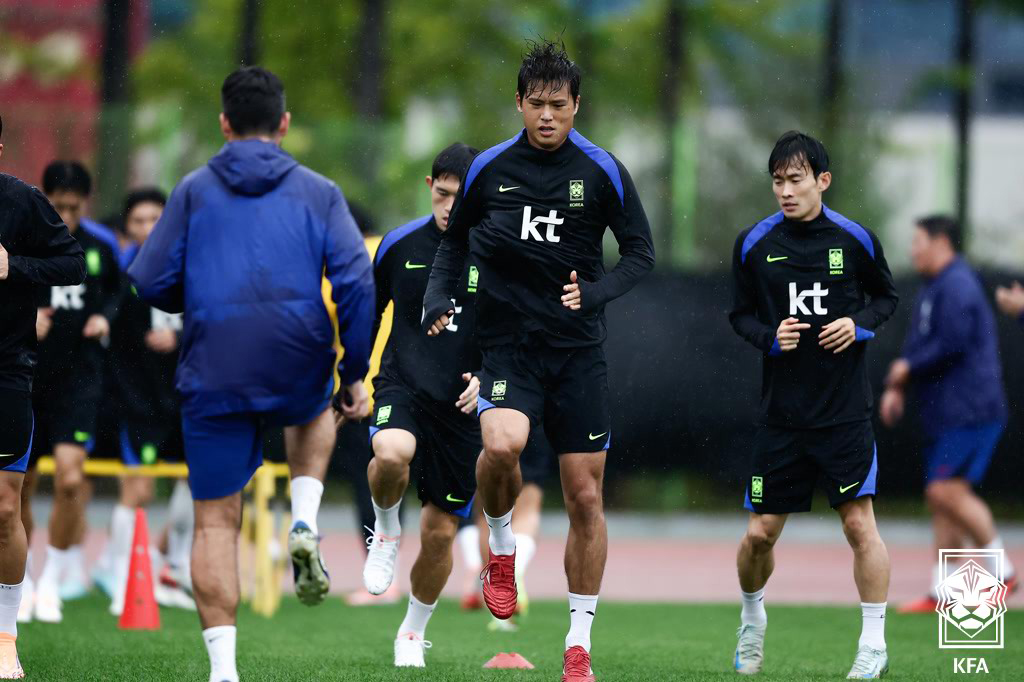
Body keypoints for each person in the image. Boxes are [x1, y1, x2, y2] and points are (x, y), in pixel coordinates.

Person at [128, 66, 373, 682]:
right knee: (319, 401)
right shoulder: (319, 191)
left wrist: (208, 294)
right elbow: (354, 280)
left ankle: (223, 671)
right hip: (296, 349)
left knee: (214, 520)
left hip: (214, 358)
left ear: (224, 124)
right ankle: (305, 518)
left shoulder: (192, 190)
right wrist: (356, 369)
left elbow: (149, 279)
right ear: (284, 125)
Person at [422, 40, 655, 681]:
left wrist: (597, 292)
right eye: (536, 104)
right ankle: (500, 550)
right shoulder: (490, 169)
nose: (547, 116)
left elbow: (640, 252)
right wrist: (438, 297)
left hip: (578, 355)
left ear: (577, 105)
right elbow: (454, 243)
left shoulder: (603, 170)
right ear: (519, 103)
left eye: (559, 105)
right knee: (501, 445)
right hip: (509, 348)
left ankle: (578, 643)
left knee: (585, 496)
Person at [729, 131, 898, 679]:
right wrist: (768, 336)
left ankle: (873, 643)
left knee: (858, 526)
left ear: (822, 181)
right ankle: (752, 617)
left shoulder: (855, 240)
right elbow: (740, 315)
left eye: (796, 179)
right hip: (781, 416)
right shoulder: (754, 243)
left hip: (843, 414)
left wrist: (859, 325)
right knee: (760, 534)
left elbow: (886, 298)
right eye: (777, 180)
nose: (785, 190)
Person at [360, 142, 490, 667]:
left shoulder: (496, 252)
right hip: (402, 386)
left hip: (461, 407)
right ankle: (385, 528)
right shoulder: (397, 245)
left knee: (438, 534)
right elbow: (368, 314)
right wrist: (350, 379)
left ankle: (412, 632)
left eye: (461, 198)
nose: (449, 206)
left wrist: (489, 377)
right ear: (429, 188)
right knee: (390, 452)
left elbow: (515, 330)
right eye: (442, 194)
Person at [880, 215, 1017, 612]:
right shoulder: (933, 288)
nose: (913, 249)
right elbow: (921, 345)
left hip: (971, 410)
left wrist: (906, 370)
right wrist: (899, 384)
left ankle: (1003, 570)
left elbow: (952, 343)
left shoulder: (957, 285)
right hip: (946, 413)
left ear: (941, 242)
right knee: (942, 500)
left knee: (944, 491)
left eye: (919, 240)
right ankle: (947, 590)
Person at [0, 113, 87, 678]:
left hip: (5, 370)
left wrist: (16, 266)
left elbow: (72, 263)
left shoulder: (22, 201)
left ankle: (6, 636)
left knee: (5, 507)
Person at [28, 161, 121, 624]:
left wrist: (106, 315)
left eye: (73, 207)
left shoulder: (101, 247)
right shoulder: (26, 241)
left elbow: (120, 294)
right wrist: (28, 320)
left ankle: (52, 581)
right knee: (17, 490)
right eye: (57, 205)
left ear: (87, 203)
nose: (65, 216)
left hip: (79, 382)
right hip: (25, 378)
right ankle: (20, 581)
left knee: (69, 481)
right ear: (45, 199)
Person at [103, 187, 195, 616]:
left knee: (195, 483)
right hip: (138, 401)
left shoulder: (193, 267)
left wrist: (177, 336)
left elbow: (212, 321)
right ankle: (122, 578)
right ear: (129, 227)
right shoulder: (120, 274)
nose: (148, 228)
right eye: (139, 221)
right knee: (136, 489)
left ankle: (173, 570)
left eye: (156, 219)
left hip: (187, 397)